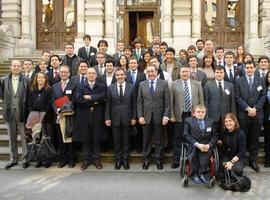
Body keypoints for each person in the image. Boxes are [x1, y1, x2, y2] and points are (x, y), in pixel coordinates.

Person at [235, 60, 266, 172]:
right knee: (243, 139)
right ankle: (242, 160)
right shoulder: (239, 81)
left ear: (254, 68)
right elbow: (237, 96)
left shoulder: (260, 80)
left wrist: (256, 109)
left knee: (254, 139)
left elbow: (263, 95)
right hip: (243, 115)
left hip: (257, 116)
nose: (249, 69)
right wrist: (248, 108)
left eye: (251, 67)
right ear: (244, 68)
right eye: (247, 67)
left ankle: (253, 160)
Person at [137, 65, 170, 170]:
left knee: (159, 140)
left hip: (159, 117)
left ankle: (159, 160)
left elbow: (167, 102)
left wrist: (166, 116)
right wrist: (140, 116)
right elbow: (139, 102)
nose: (150, 73)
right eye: (149, 72)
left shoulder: (163, 84)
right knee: (146, 140)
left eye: (152, 71)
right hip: (145, 117)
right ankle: (146, 160)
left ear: (157, 72)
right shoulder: (142, 84)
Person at [170, 65, 204, 169]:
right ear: (179, 73)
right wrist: (172, 115)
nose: (185, 73)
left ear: (190, 72)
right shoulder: (174, 84)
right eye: (183, 72)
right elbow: (171, 101)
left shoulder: (197, 84)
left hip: (194, 115)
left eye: (186, 71)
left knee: (193, 138)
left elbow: (201, 101)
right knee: (177, 138)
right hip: (180, 115)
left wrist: (202, 113)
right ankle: (176, 160)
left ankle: (192, 159)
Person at [73, 68, 107, 170]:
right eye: (89, 73)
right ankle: (86, 160)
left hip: (97, 115)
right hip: (84, 115)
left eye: (93, 73)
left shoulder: (102, 86)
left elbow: (103, 97)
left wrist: (89, 97)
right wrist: (95, 101)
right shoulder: (80, 86)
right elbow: (79, 100)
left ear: (96, 75)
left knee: (96, 137)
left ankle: (96, 159)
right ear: (85, 75)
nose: (91, 75)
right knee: (85, 138)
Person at [105, 68, 136, 170]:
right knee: (117, 141)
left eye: (122, 74)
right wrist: (107, 118)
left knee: (126, 141)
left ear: (125, 75)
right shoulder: (110, 88)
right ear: (115, 76)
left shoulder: (131, 87)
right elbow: (108, 104)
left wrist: (133, 117)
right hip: (115, 118)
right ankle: (118, 160)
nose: (120, 76)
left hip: (128, 118)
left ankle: (126, 160)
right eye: (117, 75)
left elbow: (134, 104)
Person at [0, 60, 29, 169]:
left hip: (22, 112)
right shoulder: (3, 80)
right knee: (11, 137)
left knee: (24, 137)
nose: (16, 67)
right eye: (14, 66)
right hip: (9, 112)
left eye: (18, 66)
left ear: (21, 67)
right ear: (10, 67)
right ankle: (13, 159)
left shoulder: (26, 80)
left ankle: (25, 159)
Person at [183, 104, 218, 184]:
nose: (200, 113)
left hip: (206, 144)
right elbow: (186, 135)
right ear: (194, 113)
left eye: (202, 112)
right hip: (193, 143)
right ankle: (194, 174)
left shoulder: (211, 121)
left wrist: (209, 145)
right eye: (198, 112)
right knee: (193, 152)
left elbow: (215, 136)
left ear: (205, 113)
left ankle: (203, 173)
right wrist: (197, 144)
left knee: (206, 153)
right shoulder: (188, 121)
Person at [51, 65, 77, 168]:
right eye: (61, 72)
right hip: (58, 117)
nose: (63, 74)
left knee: (70, 139)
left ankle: (71, 159)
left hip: (69, 117)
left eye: (65, 72)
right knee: (60, 139)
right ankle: (63, 159)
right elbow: (53, 101)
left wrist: (65, 109)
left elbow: (74, 100)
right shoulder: (55, 86)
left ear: (69, 73)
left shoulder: (74, 85)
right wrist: (57, 110)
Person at [28, 72, 53, 168]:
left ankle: (47, 159)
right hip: (34, 117)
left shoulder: (48, 89)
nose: (41, 79)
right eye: (39, 77)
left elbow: (49, 103)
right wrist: (33, 112)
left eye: (43, 77)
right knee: (37, 138)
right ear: (36, 79)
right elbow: (29, 103)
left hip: (46, 118)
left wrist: (42, 113)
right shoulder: (32, 89)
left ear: (45, 79)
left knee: (47, 138)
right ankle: (39, 159)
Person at [203, 66, 236, 135]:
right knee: (213, 135)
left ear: (224, 73)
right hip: (213, 116)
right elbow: (206, 101)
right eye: (217, 72)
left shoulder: (230, 85)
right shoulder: (208, 85)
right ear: (214, 73)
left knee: (225, 136)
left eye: (221, 72)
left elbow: (232, 102)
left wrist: (233, 115)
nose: (219, 74)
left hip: (226, 116)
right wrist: (206, 115)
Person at [125, 57, 146, 153]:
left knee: (139, 126)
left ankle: (139, 146)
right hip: (127, 103)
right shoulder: (125, 74)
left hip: (140, 102)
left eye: (134, 63)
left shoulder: (142, 75)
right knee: (128, 125)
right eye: (131, 63)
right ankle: (130, 146)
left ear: (137, 64)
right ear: (128, 65)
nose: (133, 64)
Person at [264, 71, 270, 167]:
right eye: (269, 77)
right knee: (268, 139)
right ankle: (268, 160)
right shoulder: (265, 88)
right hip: (267, 117)